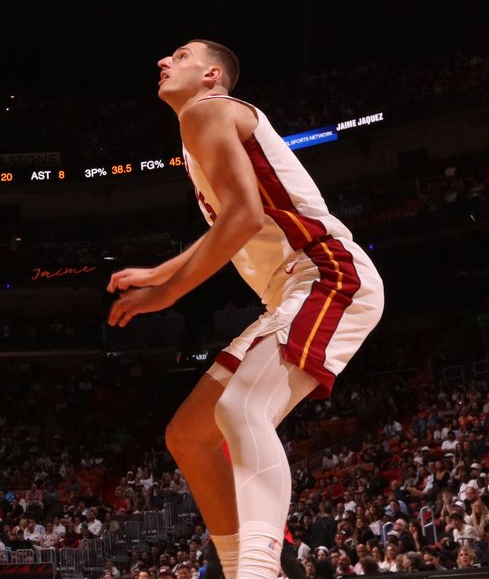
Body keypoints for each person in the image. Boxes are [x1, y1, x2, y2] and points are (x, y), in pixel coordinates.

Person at [108, 42, 385, 579]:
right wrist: (166, 277)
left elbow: (241, 217)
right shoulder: (196, 133)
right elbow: (238, 222)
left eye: (179, 54)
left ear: (212, 75)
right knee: (189, 433)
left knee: (239, 410)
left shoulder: (208, 111)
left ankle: (260, 568)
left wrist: (166, 285)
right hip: (289, 291)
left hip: (326, 272)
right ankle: (240, 567)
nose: (162, 61)